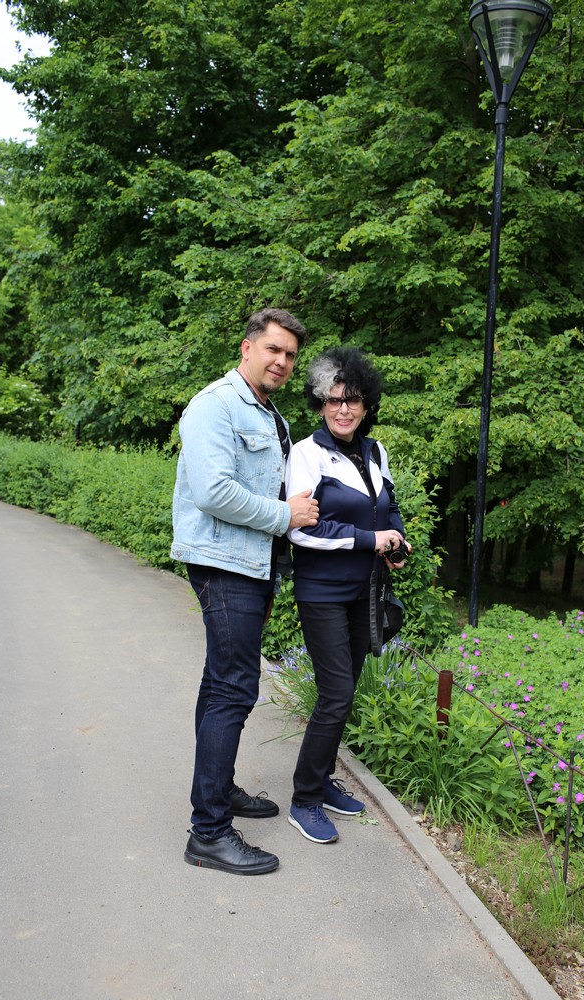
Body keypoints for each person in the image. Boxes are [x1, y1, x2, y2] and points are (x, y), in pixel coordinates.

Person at [171, 307, 319, 875]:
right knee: (234, 689)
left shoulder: (266, 412)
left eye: (290, 355)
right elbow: (212, 491)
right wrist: (284, 515)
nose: (281, 361)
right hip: (225, 565)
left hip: (251, 565)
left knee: (220, 684)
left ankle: (218, 789)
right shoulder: (215, 405)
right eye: (273, 349)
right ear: (247, 347)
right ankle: (208, 833)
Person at [284, 346, 410, 844]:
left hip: (366, 592)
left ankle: (321, 781)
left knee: (345, 691)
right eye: (333, 399)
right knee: (335, 694)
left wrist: (397, 543)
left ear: (365, 405)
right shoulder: (306, 454)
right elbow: (302, 530)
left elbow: (388, 509)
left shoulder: (375, 452)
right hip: (322, 592)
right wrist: (368, 540)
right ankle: (304, 799)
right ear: (320, 403)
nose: (343, 409)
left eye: (352, 400)